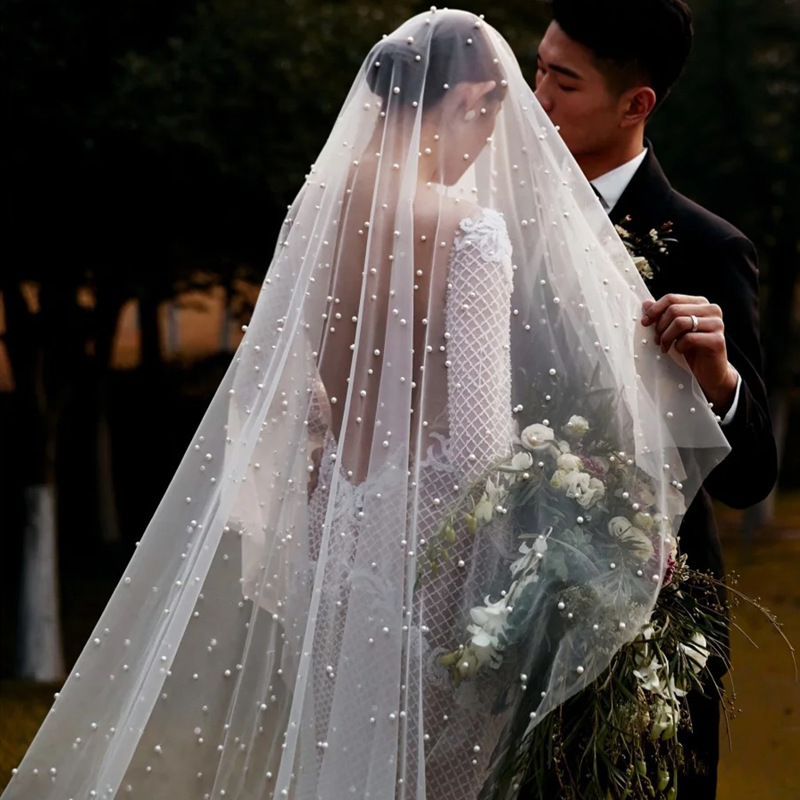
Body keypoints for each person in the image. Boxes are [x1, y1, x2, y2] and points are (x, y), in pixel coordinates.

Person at [3, 9, 732, 800]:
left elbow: (304, 402)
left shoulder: (319, 213)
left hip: (337, 536)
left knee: (343, 766)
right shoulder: (468, 231)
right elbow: (478, 449)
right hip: (435, 559)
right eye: (497, 115)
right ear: (472, 101)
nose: (495, 143)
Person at [532, 0, 778, 797]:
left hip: (649, 635)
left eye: (562, 83)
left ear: (637, 103)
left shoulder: (708, 249)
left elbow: (751, 481)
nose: (537, 99)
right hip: (504, 627)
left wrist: (720, 382)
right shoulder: (495, 225)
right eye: (537, 67)